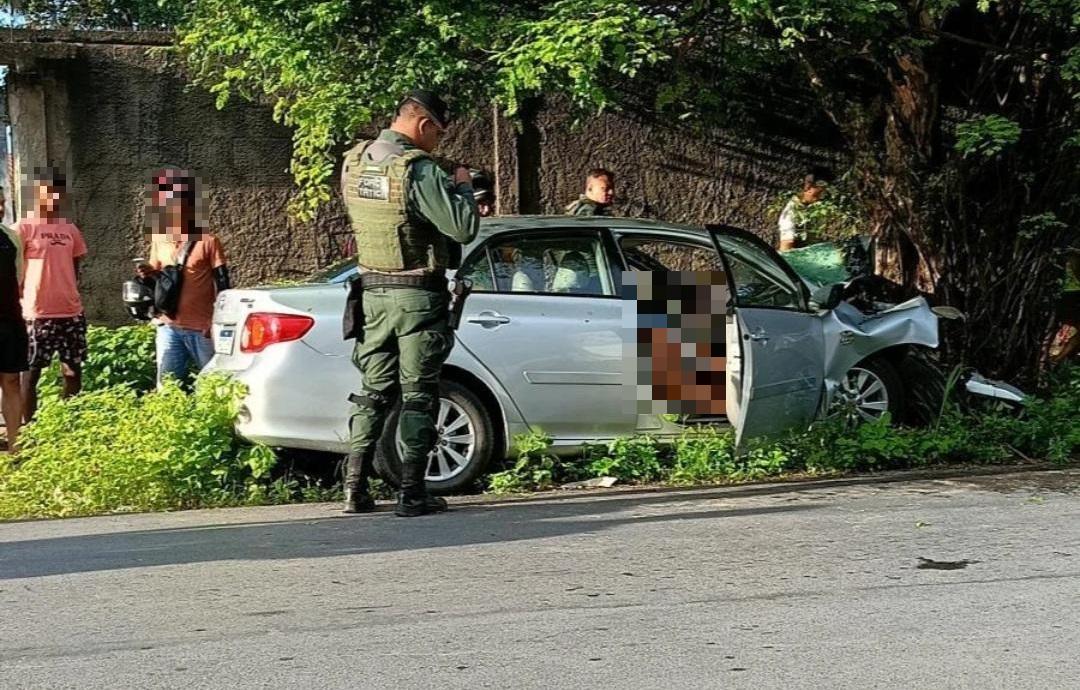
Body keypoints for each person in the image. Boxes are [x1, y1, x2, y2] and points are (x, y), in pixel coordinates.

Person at [339, 90, 479, 517]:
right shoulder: (417, 170)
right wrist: (463, 188)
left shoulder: (355, 162)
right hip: (416, 297)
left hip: (371, 295)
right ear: (424, 124)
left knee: (372, 392)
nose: (438, 141)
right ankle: (412, 492)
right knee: (418, 393)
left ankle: (354, 489)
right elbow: (462, 228)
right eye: (439, 132)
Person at [136, 168, 230, 387]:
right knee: (167, 388)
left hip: (202, 329)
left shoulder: (208, 241)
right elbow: (156, 279)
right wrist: (146, 274)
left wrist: (216, 322)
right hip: (168, 327)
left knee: (214, 386)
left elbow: (224, 285)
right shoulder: (159, 238)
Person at [18, 168, 88, 422]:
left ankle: (66, 425)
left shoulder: (69, 229)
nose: (54, 198)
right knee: (31, 373)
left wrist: (66, 291)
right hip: (37, 314)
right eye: (49, 192)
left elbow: (75, 266)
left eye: (58, 193)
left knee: (73, 372)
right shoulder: (23, 228)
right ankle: (29, 430)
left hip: (71, 313)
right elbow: (15, 271)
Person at [0, 186, 28, 450]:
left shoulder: (11, 237)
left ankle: (14, 446)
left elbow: (19, 278)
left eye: (2, 203)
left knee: (11, 380)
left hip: (9, 320)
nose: (0, 208)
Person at [777, 167, 833, 251]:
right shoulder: (791, 212)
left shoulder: (817, 209)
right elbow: (786, 247)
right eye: (819, 193)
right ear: (808, 188)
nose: (822, 197)